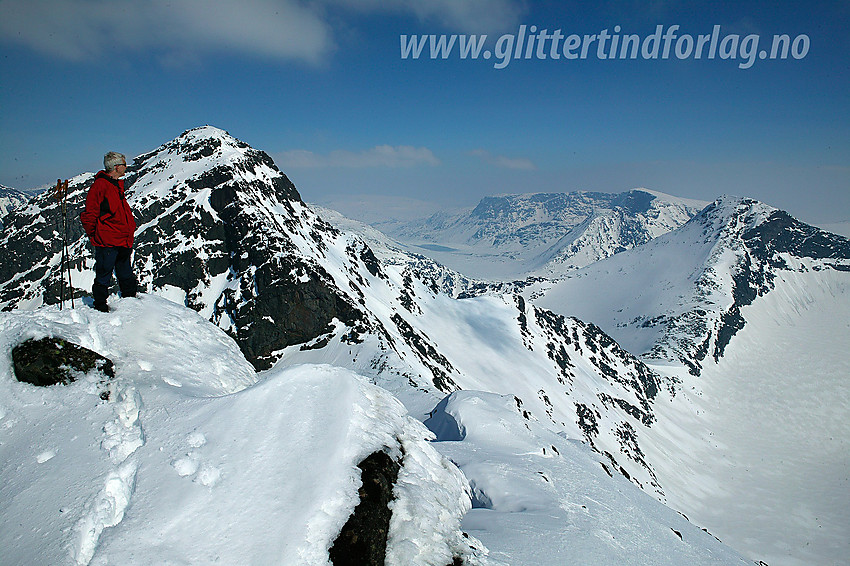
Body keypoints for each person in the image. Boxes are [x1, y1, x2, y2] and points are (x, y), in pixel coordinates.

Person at [80, 151, 138, 312]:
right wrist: (95, 235)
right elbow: (90, 214)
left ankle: (131, 302)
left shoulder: (114, 185)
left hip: (122, 238)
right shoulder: (101, 186)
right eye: (124, 165)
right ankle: (100, 306)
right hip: (108, 239)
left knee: (125, 271)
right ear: (116, 167)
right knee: (104, 273)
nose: (126, 167)